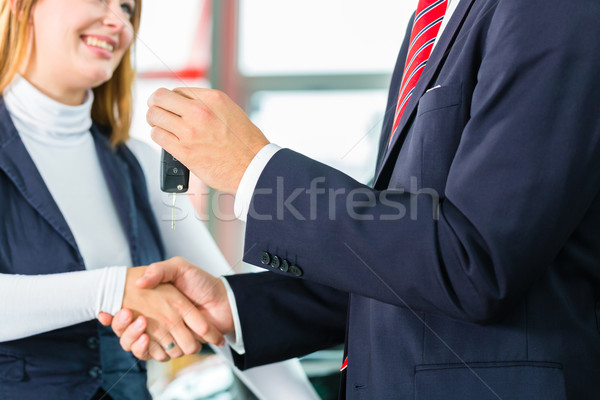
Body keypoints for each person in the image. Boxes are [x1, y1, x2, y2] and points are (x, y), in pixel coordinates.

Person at [108, 0, 600, 399]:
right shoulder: (432, 22)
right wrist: (237, 308)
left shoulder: (548, 10)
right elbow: (399, 262)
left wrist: (252, 168)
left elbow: (475, 263)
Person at [0, 0, 320, 399]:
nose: (117, 20)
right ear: (19, 6)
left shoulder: (137, 161)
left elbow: (224, 309)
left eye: (128, 9)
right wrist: (113, 288)